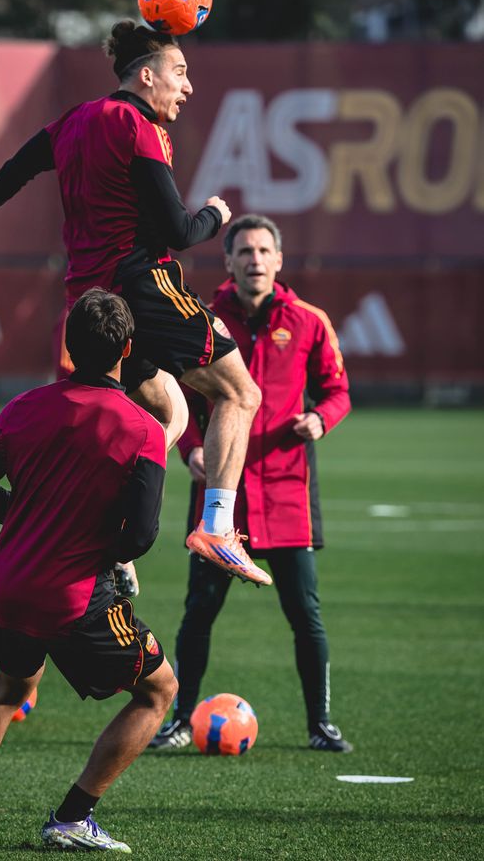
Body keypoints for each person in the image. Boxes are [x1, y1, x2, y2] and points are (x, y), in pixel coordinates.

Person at [0, 19, 270, 586]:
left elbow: (24, 162)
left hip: (90, 305)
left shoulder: (75, 120)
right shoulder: (139, 127)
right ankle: (217, 527)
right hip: (141, 287)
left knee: (170, 414)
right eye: (179, 73)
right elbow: (181, 230)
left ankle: (105, 532)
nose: (187, 87)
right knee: (240, 392)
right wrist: (216, 213)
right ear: (145, 75)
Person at [0, 289, 177, 852]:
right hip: (75, 594)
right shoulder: (143, 429)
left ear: (67, 347)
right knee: (159, 692)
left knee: (10, 688)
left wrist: (28, 517)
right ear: (128, 350)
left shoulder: (24, 407)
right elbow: (140, 536)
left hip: (10, 585)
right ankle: (72, 816)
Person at [149, 215, 353, 753]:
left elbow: (337, 390)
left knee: (305, 614)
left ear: (279, 261)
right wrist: (192, 447)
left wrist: (321, 419)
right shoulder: (203, 319)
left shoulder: (309, 321)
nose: (255, 259)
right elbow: (181, 397)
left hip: (288, 494)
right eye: (244, 251)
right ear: (229, 261)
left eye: (264, 251)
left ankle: (320, 724)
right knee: (199, 612)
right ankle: (178, 721)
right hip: (222, 493)